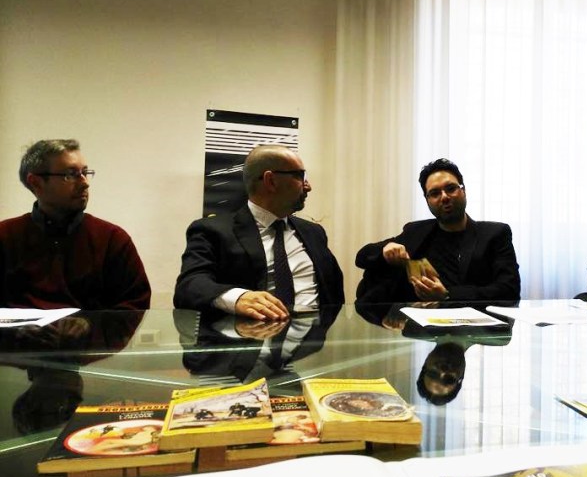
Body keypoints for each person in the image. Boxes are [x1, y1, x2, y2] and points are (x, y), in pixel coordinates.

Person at [174, 145, 344, 320]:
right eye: (299, 176)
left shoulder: (314, 232)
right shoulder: (212, 231)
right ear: (270, 181)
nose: (308, 187)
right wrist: (238, 298)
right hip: (247, 334)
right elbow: (190, 286)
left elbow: (334, 290)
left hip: (313, 334)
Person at [0, 139, 150, 310]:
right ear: (36, 183)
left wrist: (90, 323)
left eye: (85, 172)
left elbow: (135, 305)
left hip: (93, 329)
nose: (85, 183)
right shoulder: (5, 237)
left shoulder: (112, 239)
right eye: (70, 175)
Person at [355, 158, 520, 304]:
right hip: (420, 323)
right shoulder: (416, 231)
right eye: (435, 193)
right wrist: (385, 250)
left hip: (476, 325)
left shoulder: (495, 234)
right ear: (427, 200)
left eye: (451, 188)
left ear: (463, 191)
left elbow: (509, 290)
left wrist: (448, 295)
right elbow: (362, 257)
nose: (444, 197)